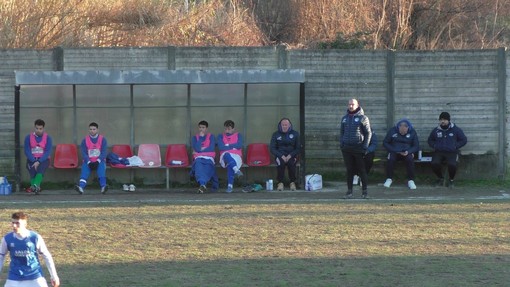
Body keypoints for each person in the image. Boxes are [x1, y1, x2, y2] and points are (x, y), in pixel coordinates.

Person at [0, 211, 60, 287]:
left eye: (17, 223)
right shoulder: (7, 239)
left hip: (34, 275)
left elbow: (46, 256)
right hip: (15, 277)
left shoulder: (35, 237)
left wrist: (54, 275)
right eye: (13, 223)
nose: (14, 225)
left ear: (25, 224)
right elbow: (1, 256)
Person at [340, 98, 372, 199]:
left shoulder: (363, 118)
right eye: (349, 104)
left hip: (358, 148)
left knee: (362, 170)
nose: (350, 106)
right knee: (349, 170)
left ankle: (365, 192)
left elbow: (368, 133)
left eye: (353, 104)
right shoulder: (344, 118)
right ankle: (349, 192)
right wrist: (342, 144)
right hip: (347, 149)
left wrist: (365, 146)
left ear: (357, 105)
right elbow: (342, 132)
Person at [427, 112, 467, 188]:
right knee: (434, 163)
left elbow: (463, 140)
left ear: (448, 120)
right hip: (439, 151)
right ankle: (440, 178)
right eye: (441, 119)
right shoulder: (436, 130)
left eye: (445, 119)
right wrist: (435, 145)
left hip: (451, 152)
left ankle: (451, 180)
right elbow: (430, 140)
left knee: (452, 164)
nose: (443, 121)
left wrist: (455, 146)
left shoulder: (456, 130)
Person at [382, 119, 420, 190]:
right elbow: (385, 142)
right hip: (395, 151)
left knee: (410, 159)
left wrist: (409, 151)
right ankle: (389, 179)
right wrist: (393, 150)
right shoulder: (392, 131)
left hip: (406, 152)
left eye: (404, 132)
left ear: (408, 128)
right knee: (391, 158)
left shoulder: (412, 132)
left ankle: (411, 180)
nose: (402, 133)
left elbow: (416, 146)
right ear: (398, 127)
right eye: (400, 132)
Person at [75, 122, 109, 195]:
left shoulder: (103, 139)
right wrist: (88, 162)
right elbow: (83, 152)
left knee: (101, 172)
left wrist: (98, 161)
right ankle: (81, 187)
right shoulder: (85, 140)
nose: (92, 131)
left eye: (94, 129)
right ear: (88, 130)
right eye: (90, 129)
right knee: (84, 173)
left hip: (100, 161)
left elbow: (104, 152)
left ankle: (103, 187)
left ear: (97, 130)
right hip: (88, 161)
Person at [270, 118, 301, 191]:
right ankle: (280, 183)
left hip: (292, 155)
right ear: (280, 125)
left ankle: (292, 182)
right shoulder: (275, 134)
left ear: (289, 125)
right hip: (280, 155)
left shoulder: (295, 134)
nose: (284, 126)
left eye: (286, 125)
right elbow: (272, 148)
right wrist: (281, 156)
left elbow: (298, 148)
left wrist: (290, 155)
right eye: (283, 125)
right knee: (281, 163)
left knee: (291, 163)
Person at [23, 119, 52, 194]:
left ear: (43, 128)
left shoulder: (48, 138)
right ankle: (36, 188)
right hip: (31, 159)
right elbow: (27, 151)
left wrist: (39, 161)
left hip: (43, 159)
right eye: (37, 128)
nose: (38, 130)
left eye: (40, 129)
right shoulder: (28, 138)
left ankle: (34, 186)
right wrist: (34, 161)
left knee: (41, 169)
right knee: (32, 171)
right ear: (34, 127)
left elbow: (47, 152)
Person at [190, 120, 219, 193]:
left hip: (209, 158)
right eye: (200, 127)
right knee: (199, 167)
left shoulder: (211, 137)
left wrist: (200, 150)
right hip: (198, 158)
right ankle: (202, 184)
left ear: (206, 128)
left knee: (208, 167)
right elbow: (196, 148)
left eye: (203, 127)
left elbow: (211, 148)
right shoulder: (195, 138)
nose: (201, 129)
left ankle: (202, 184)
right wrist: (200, 139)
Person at [217, 120, 244, 193]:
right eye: (225, 129)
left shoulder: (238, 135)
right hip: (224, 156)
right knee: (227, 155)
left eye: (229, 129)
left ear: (233, 129)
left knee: (230, 164)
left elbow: (239, 146)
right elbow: (220, 147)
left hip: (236, 156)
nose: (227, 131)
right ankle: (237, 171)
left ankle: (230, 186)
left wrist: (227, 145)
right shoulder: (220, 136)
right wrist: (233, 146)